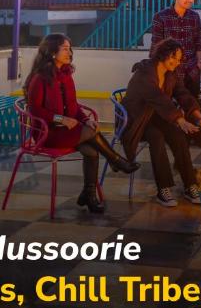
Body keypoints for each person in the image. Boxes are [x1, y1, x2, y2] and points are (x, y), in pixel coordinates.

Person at [25, 34, 139, 214]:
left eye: (70, 48)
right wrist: (60, 119)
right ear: (52, 51)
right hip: (48, 132)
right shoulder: (39, 78)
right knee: (90, 133)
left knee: (92, 149)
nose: (69, 52)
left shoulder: (66, 74)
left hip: (68, 130)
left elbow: (73, 105)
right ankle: (116, 161)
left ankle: (89, 195)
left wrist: (86, 119)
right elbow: (35, 110)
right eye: (64, 48)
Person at [121, 38, 201, 207]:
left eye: (179, 59)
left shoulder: (170, 74)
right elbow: (159, 99)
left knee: (178, 134)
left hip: (157, 116)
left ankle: (190, 185)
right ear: (163, 55)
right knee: (156, 136)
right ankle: (163, 189)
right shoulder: (144, 72)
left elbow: (183, 94)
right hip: (137, 120)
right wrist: (180, 119)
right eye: (174, 57)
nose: (177, 62)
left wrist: (198, 117)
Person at [150, 0, 201, 99]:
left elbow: (198, 41)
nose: (190, 0)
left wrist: (199, 62)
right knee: (168, 109)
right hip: (170, 72)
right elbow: (156, 47)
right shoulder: (161, 17)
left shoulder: (194, 17)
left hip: (191, 71)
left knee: (191, 106)